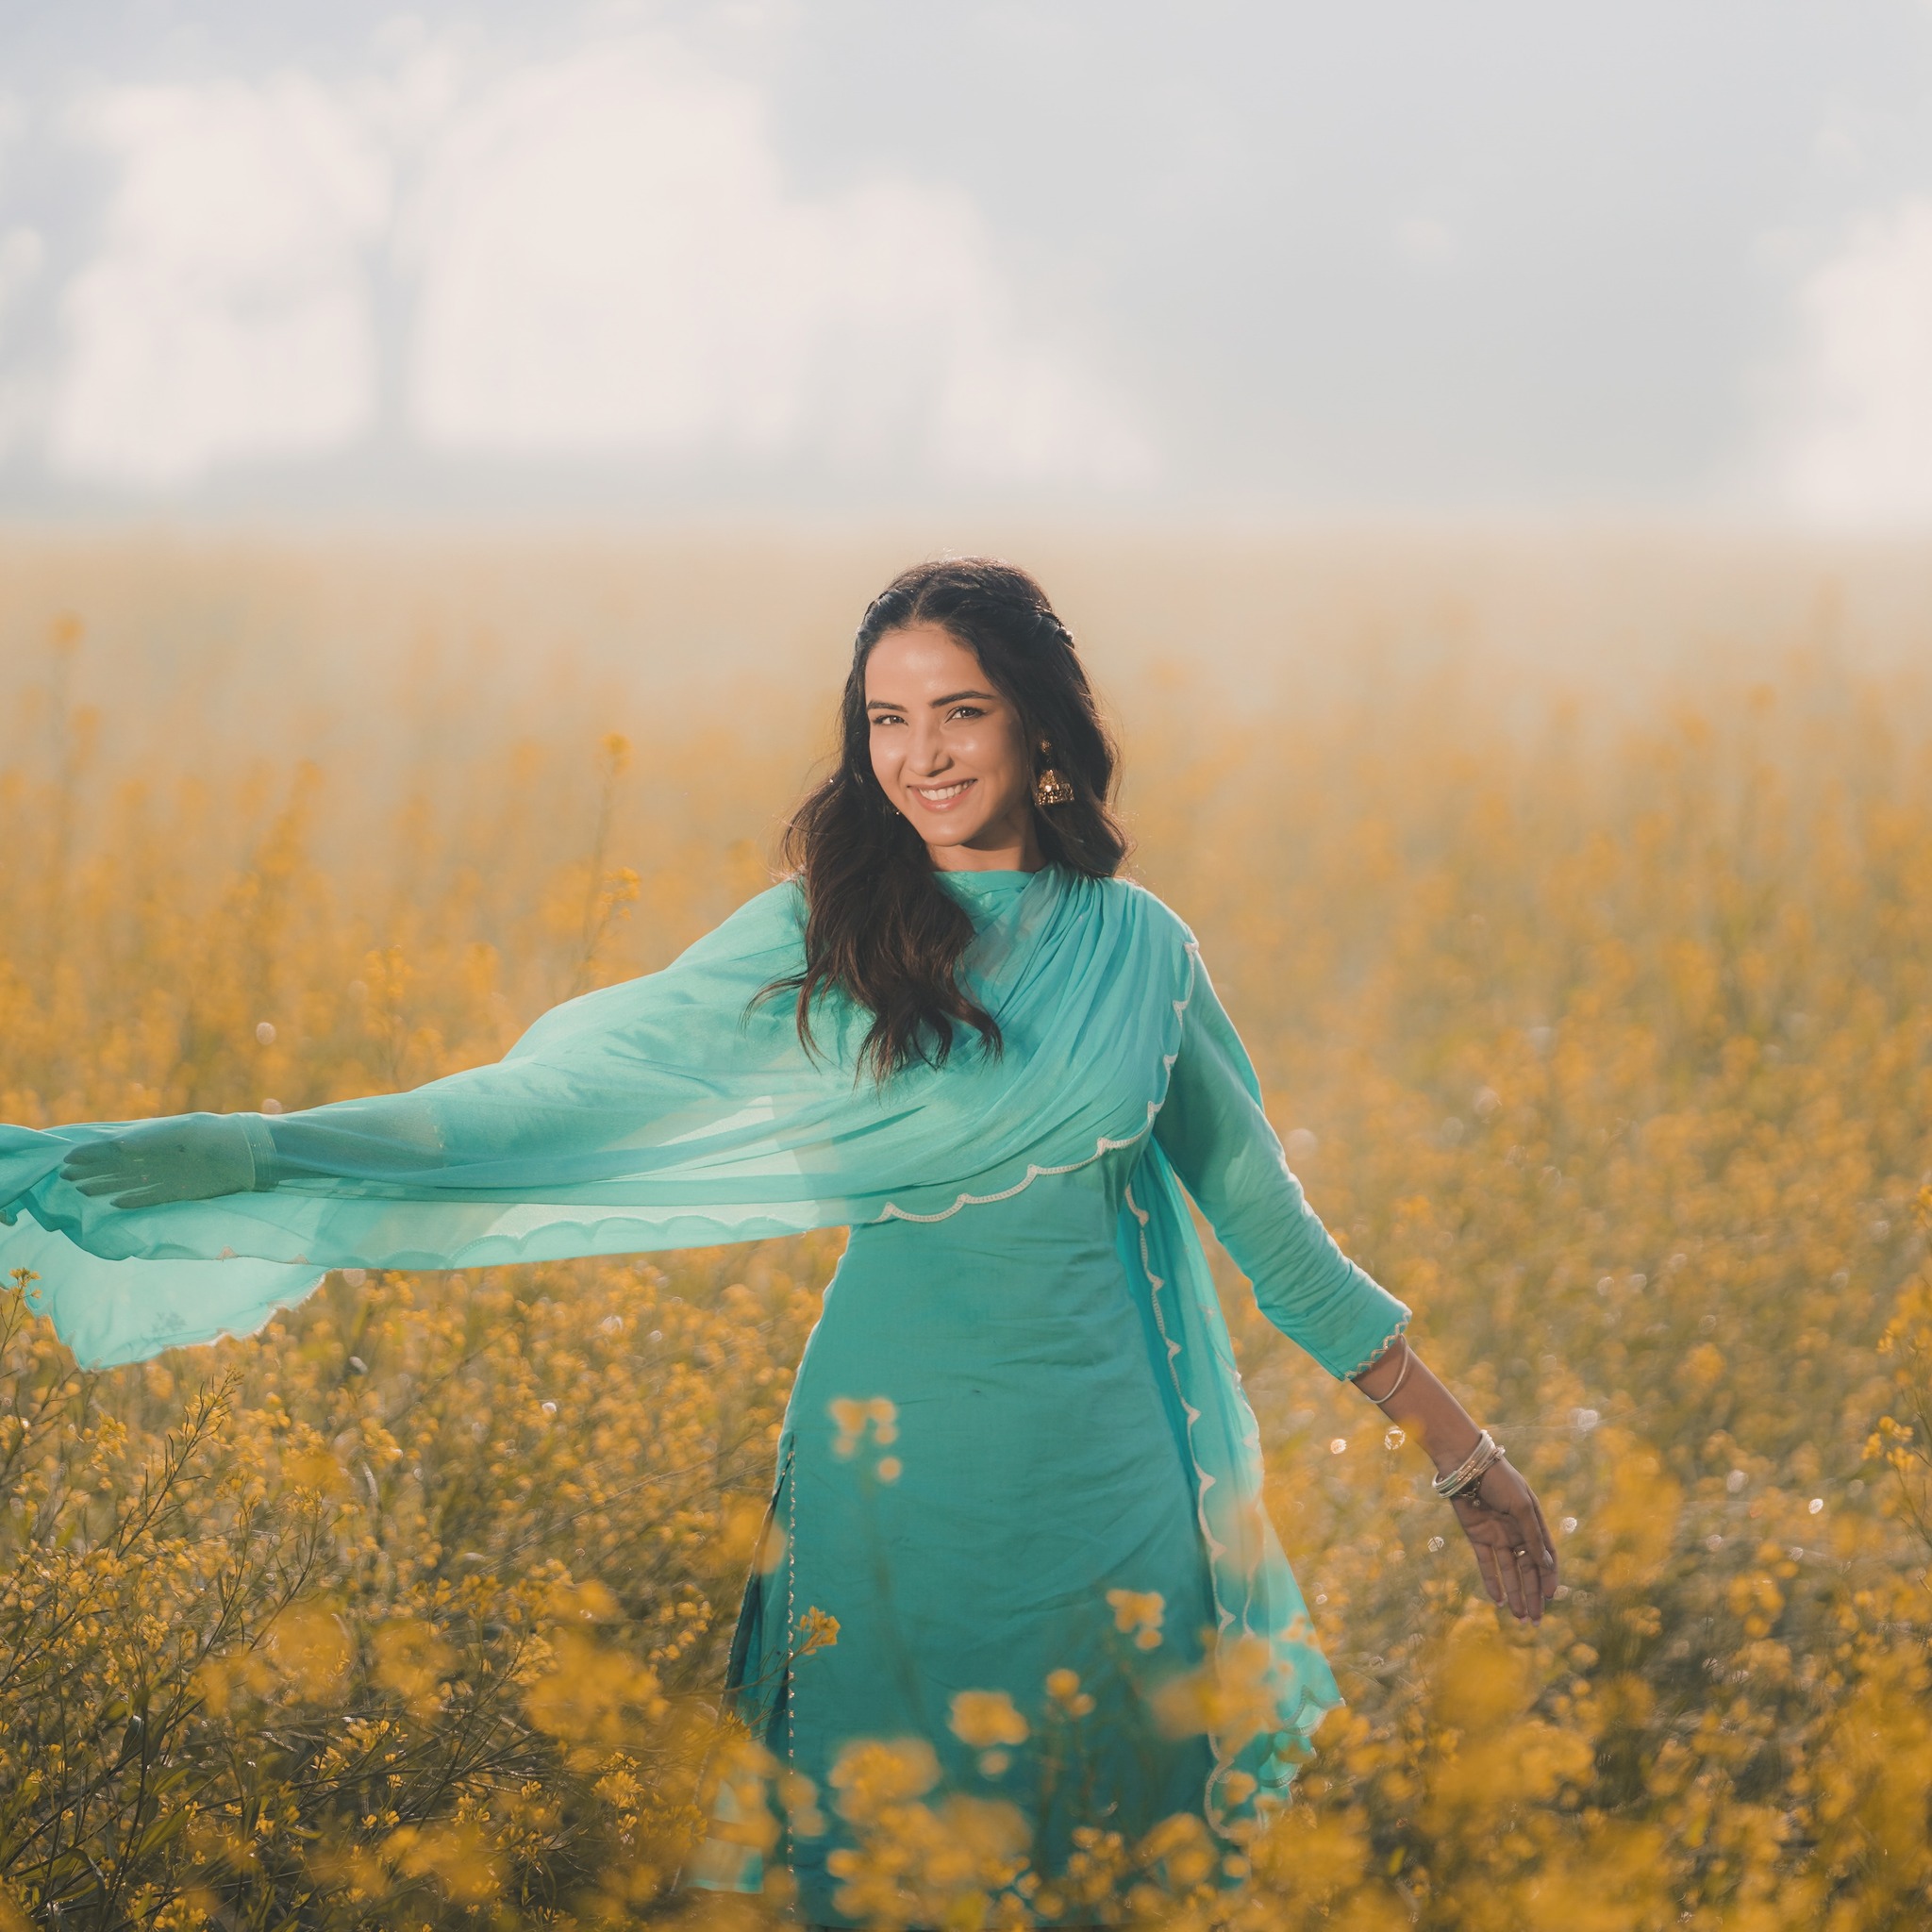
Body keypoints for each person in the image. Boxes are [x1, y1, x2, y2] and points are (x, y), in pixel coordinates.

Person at [0, 558, 1556, 1926]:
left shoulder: (1143, 951)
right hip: (894, 1469)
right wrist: (264, 1148)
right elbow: (546, 1111)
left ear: (1040, 727)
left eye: (958, 713)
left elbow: (1271, 1233)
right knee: (875, 1861)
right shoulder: (827, 932)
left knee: (1108, 1872)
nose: (921, 755)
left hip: (1112, 1491)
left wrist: (1465, 1460)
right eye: (886, 720)